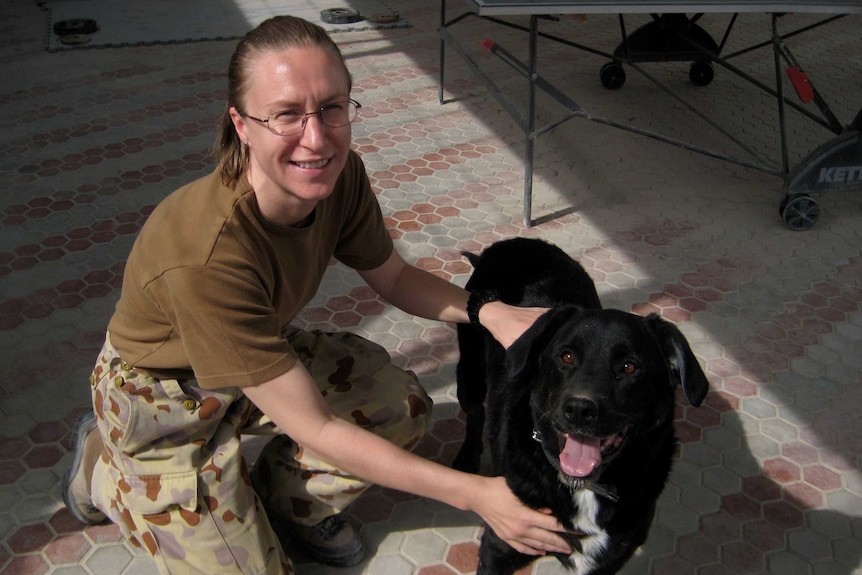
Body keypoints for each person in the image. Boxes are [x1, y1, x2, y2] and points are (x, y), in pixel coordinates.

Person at [62, 15, 572, 575]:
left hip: (256, 359)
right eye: (286, 114)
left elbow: (396, 278)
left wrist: (489, 313)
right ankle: (106, 472)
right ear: (241, 124)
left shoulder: (340, 174)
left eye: (332, 107)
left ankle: (286, 504)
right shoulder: (207, 256)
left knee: (398, 406)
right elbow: (318, 428)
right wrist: (477, 495)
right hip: (162, 395)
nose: (317, 137)